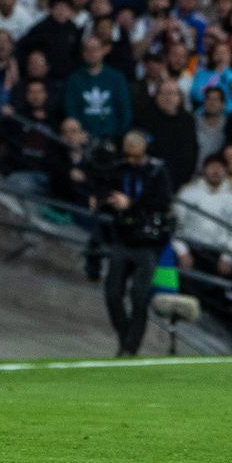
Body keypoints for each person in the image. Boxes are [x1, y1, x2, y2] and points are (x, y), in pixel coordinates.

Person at [92, 130, 173, 357]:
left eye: (135, 151)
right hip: (122, 237)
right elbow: (102, 188)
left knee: (139, 296)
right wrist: (103, 199)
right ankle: (125, 336)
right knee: (113, 293)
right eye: (127, 151)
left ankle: (130, 347)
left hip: (147, 242)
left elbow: (162, 203)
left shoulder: (157, 172)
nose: (131, 157)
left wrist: (131, 205)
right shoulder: (119, 170)